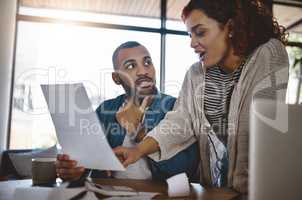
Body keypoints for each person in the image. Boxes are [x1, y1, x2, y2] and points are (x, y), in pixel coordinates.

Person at [113, 0, 289, 193]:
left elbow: (255, 128)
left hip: (254, 190)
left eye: (200, 32)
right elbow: (180, 121)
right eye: (190, 34)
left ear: (230, 28)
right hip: (213, 190)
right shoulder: (196, 73)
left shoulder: (268, 54)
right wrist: (138, 150)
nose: (192, 43)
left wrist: (245, 192)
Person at [56, 41, 200, 182]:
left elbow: (186, 171)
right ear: (116, 78)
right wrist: (74, 171)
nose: (143, 71)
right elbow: (86, 163)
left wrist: (139, 132)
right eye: (131, 66)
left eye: (147, 62)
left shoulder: (175, 107)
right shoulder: (105, 110)